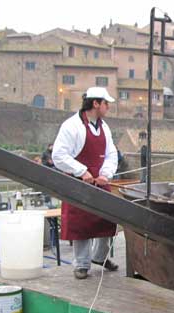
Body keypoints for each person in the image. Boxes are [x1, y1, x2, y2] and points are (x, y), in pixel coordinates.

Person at [52, 87, 119, 280]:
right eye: (106, 103)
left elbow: (111, 153)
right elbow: (59, 155)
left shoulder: (104, 127)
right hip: (77, 183)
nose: (108, 107)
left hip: (100, 181)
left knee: (106, 219)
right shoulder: (71, 126)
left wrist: (106, 173)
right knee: (80, 223)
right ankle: (81, 264)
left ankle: (100, 256)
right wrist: (82, 171)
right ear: (95, 103)